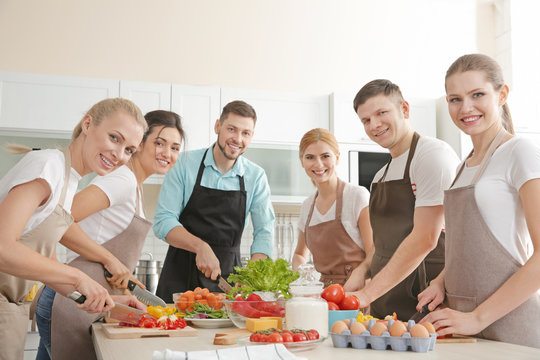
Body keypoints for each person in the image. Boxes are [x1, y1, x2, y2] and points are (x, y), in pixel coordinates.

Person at [0, 98, 148, 360]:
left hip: (13, 308)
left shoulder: (68, 183)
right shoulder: (48, 165)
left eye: (129, 150)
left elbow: (44, 261)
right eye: (115, 138)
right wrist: (78, 277)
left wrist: (107, 301)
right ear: (88, 124)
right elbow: (2, 247)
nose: (119, 154)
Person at [35, 110, 184, 360]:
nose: (167, 153)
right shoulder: (122, 180)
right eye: (159, 143)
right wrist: (109, 259)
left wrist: (126, 285)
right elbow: (58, 219)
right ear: (139, 143)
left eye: (175, 147)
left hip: (78, 301)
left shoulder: (133, 186)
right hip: (70, 300)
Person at [417, 54, 540, 348]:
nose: (465, 108)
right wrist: (441, 281)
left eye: (477, 95)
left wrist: (477, 317)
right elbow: (468, 246)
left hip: (511, 328)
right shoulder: (463, 167)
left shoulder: (519, 153)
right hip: (463, 326)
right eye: (455, 99)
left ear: (502, 95)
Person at [349, 80, 460, 320]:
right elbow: (383, 243)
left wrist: (367, 293)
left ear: (405, 109)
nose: (374, 125)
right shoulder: (381, 175)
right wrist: (363, 269)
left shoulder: (432, 155)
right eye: (366, 120)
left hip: (426, 301)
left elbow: (426, 239)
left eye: (381, 113)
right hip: (385, 301)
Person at [154, 100, 275, 302]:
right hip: (179, 279)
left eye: (246, 133)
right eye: (231, 129)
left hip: (227, 282)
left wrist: (252, 274)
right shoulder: (184, 164)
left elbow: (265, 231)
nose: (237, 139)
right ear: (218, 126)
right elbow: (163, 221)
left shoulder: (256, 176)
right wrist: (200, 247)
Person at [292, 128, 373, 291]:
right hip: (324, 294)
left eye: (325, 156)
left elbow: (374, 251)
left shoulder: (357, 196)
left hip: (358, 292)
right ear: (302, 161)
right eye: (310, 157)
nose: (318, 164)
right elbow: (300, 254)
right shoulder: (307, 206)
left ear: (337, 157)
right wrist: (303, 280)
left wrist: (360, 276)